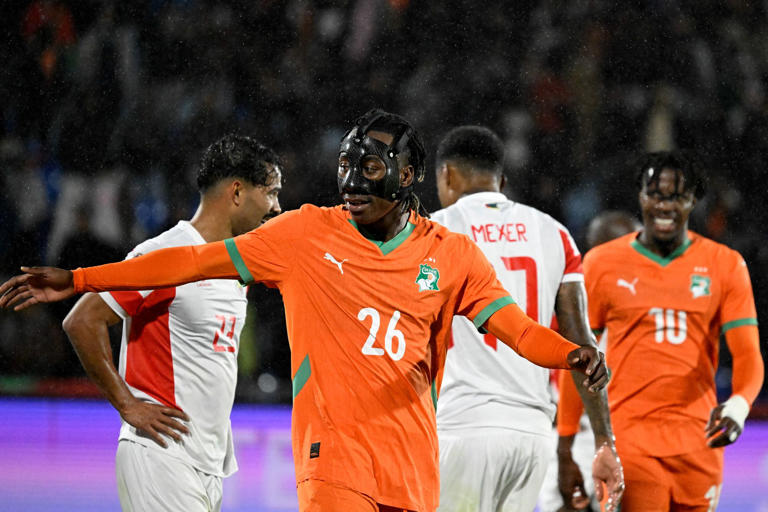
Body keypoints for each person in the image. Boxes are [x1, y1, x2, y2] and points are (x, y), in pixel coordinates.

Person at [0, 109, 609, 512]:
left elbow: (519, 331)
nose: (352, 181)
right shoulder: (304, 234)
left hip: (414, 461)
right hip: (332, 459)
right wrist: (80, 276)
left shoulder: (452, 254)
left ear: (410, 175)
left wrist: (573, 354)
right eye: (346, 167)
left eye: (369, 167)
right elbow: (186, 262)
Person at [60, 134, 283, 511]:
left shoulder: (235, 266)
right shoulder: (166, 253)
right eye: (272, 192)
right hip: (161, 455)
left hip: (205, 464)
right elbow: (82, 319)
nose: (277, 208)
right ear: (237, 191)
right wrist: (128, 405)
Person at [430, 126, 623, 512]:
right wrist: (605, 442)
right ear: (501, 179)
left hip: (462, 425)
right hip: (531, 437)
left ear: (447, 174)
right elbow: (583, 345)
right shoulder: (554, 233)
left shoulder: (433, 229)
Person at [578, 151, 763, 510]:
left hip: (701, 442)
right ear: (639, 196)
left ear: (693, 199)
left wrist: (739, 405)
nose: (664, 205)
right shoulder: (601, 263)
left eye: (676, 196)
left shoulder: (725, 265)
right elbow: (582, 358)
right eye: (655, 194)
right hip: (631, 441)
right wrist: (569, 439)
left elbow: (747, 353)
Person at [538, 210, 640, 512]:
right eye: (618, 247)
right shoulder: (564, 306)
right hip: (576, 436)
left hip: (629, 439)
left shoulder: (646, 309)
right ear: (594, 253)